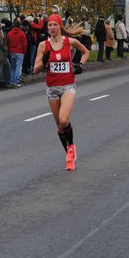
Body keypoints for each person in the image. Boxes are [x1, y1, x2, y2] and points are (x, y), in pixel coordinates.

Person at [33, 13, 89, 171]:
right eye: (49, 25)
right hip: (52, 88)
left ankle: (71, 146)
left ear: (60, 27)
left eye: (55, 25)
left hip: (68, 86)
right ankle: (69, 155)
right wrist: (44, 61)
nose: (52, 28)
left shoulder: (70, 42)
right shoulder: (43, 45)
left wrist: (80, 65)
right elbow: (35, 70)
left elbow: (85, 52)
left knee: (64, 120)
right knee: (59, 126)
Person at [6, 19, 27, 87]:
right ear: (20, 26)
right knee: (18, 67)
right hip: (20, 52)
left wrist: (9, 50)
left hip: (12, 52)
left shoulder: (9, 33)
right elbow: (24, 44)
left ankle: (12, 81)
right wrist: (24, 51)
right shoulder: (22, 33)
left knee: (13, 68)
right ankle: (16, 81)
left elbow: (8, 43)